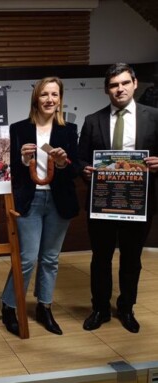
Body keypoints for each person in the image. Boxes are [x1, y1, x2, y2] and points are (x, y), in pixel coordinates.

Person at [79, 63, 158, 333]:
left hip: (138, 203)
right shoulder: (92, 120)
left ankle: (126, 308)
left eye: (124, 83)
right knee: (100, 257)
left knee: (131, 258)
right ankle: (100, 309)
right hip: (102, 203)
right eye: (114, 85)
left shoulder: (155, 117)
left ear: (135, 84)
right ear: (106, 90)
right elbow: (81, 158)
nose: (119, 89)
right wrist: (85, 171)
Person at [0, 77, 80, 336]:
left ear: (60, 99)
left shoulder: (69, 129)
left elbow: (76, 168)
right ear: (36, 98)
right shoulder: (19, 128)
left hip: (59, 201)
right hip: (30, 200)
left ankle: (44, 307)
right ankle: (10, 306)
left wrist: (61, 163)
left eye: (54, 95)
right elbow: (7, 168)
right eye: (45, 94)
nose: (49, 99)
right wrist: (23, 159)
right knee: (27, 258)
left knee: (50, 259)